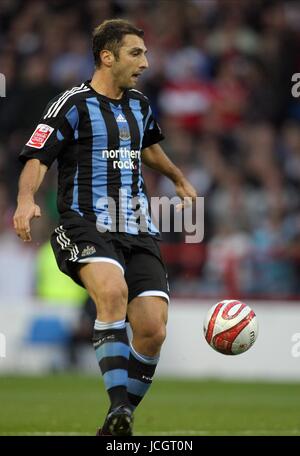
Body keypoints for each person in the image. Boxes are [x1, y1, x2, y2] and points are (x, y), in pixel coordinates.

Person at [13, 19, 197, 436]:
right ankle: (120, 408)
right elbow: (37, 157)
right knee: (112, 293)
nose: (146, 63)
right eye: (137, 53)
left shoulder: (139, 105)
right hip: (84, 224)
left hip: (138, 227)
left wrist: (178, 177)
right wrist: (26, 200)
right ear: (107, 56)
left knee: (152, 329)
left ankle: (117, 421)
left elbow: (148, 148)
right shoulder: (71, 104)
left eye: (146, 53)